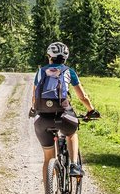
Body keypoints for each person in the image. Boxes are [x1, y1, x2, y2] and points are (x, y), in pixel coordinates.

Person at [29, 42, 100, 178]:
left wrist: (33, 110)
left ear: (49, 56)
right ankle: (74, 165)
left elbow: (34, 97)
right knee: (72, 133)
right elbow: (82, 97)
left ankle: (49, 186)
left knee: (48, 158)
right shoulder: (69, 71)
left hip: (42, 120)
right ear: (65, 58)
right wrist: (91, 110)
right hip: (63, 116)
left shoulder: (40, 72)